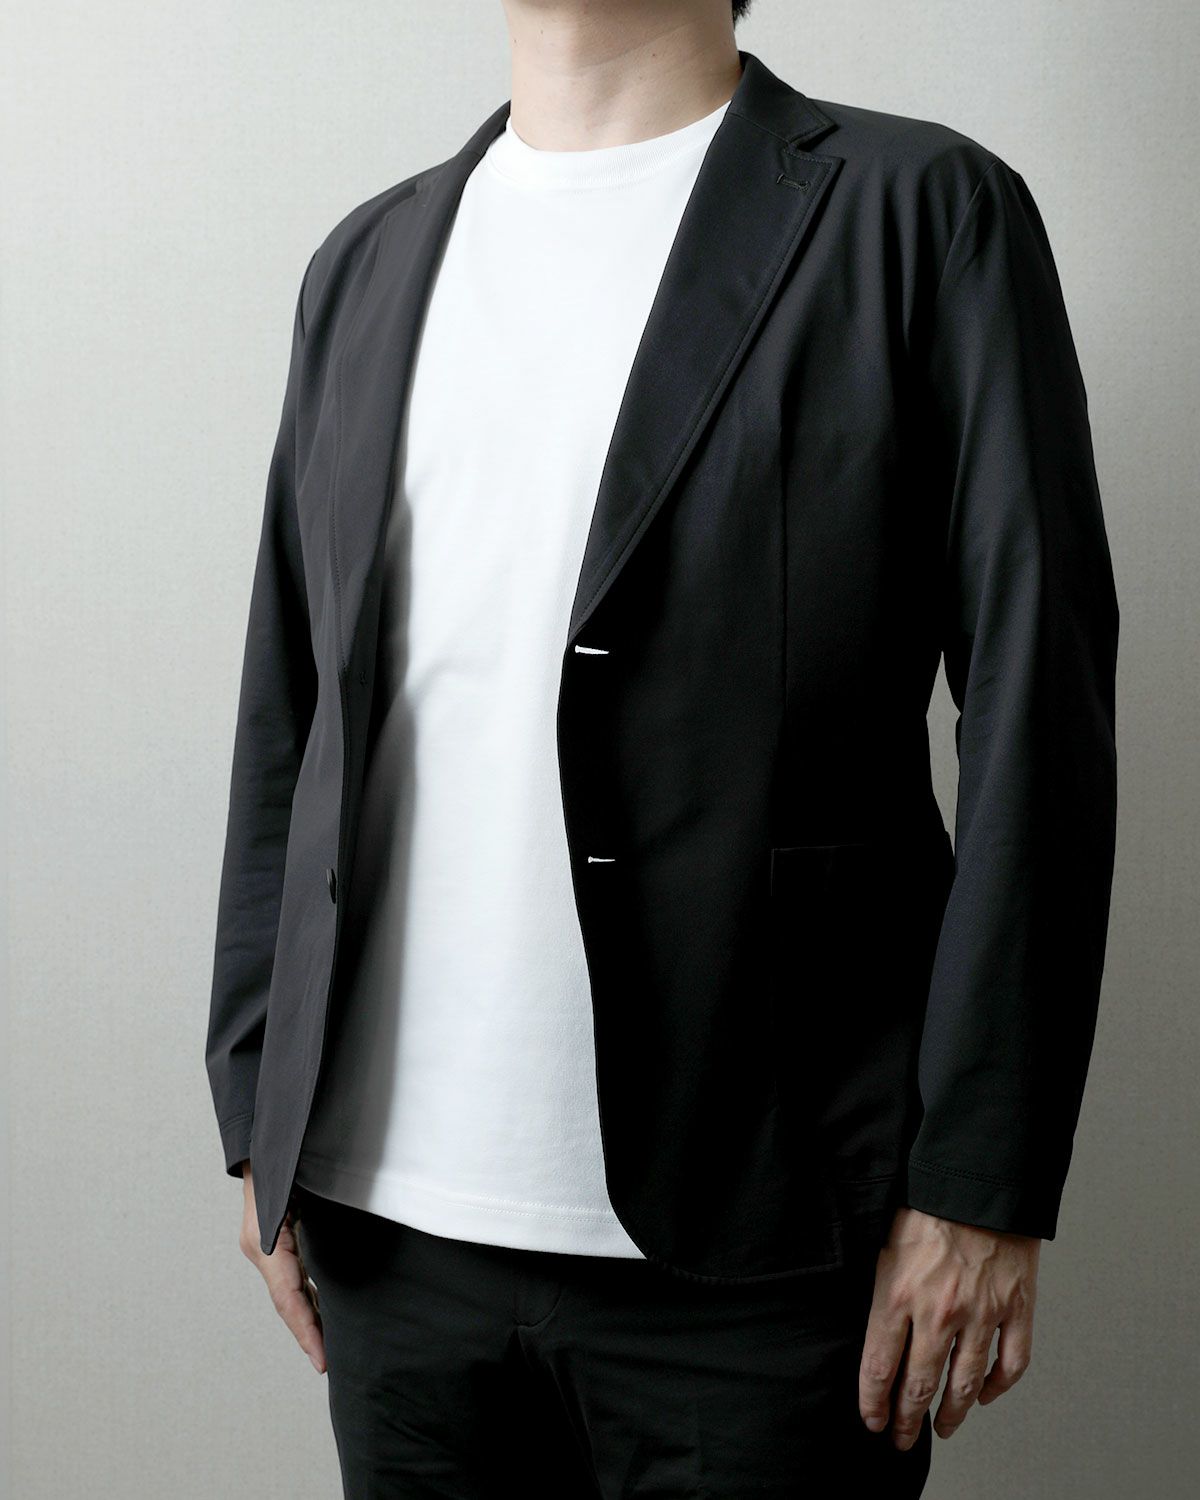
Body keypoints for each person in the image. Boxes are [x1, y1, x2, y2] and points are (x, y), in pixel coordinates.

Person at [205, 2, 1119, 1494]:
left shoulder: (918, 212)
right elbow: (289, 712)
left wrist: (983, 1180)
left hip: (768, 1244)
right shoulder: (365, 262)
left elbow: (1042, 714)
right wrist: (259, 1103)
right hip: (390, 1237)